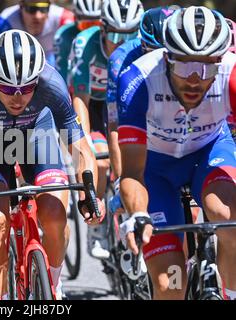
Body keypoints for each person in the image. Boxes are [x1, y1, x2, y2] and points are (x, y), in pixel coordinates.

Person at [0, 29, 103, 300]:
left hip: (37, 134)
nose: (18, 97)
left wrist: (89, 194)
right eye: (8, 88)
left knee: (55, 214)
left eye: (26, 88)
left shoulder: (51, 83)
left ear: (38, 80)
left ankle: (53, 287)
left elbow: (80, 147)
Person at [117, 6, 236, 300]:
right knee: (171, 283)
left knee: (228, 218)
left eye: (207, 67)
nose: (195, 79)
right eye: (185, 66)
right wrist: (138, 213)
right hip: (154, 169)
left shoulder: (232, 75)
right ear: (167, 58)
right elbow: (132, 172)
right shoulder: (138, 79)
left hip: (210, 153)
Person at [70, 0, 143, 259]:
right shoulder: (84, 45)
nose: (121, 44)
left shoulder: (144, 49)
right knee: (99, 161)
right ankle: (97, 224)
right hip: (96, 105)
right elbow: (80, 97)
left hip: (128, 105)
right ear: (102, 29)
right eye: (114, 35)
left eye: (130, 36)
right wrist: (85, 141)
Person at [106, 6, 176, 195]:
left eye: (168, 53)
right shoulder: (120, 62)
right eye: (153, 52)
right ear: (142, 43)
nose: (161, 60)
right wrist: (122, 178)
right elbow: (114, 124)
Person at [0, 0, 74, 66]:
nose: (37, 16)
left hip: (54, 59)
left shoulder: (64, 19)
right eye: (31, 9)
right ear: (21, 7)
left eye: (43, 9)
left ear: (50, 7)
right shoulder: (6, 20)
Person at [54, 0, 101, 84]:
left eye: (95, 25)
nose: (89, 32)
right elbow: (62, 73)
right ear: (75, 19)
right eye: (86, 25)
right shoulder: (63, 36)